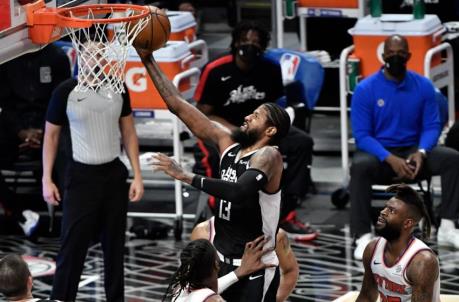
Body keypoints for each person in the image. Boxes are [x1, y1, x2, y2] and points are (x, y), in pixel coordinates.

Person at [137, 44, 291, 301]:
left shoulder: (270, 156)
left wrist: (186, 176)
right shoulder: (227, 142)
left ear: (271, 131)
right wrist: (148, 59)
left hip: (255, 265)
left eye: (256, 115)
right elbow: (177, 104)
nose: (247, 117)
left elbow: (240, 192)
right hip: (219, 262)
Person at [194, 20, 316, 240]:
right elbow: (203, 113)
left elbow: (275, 105)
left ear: (263, 46)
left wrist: (267, 131)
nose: (250, 45)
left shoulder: (270, 68)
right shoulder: (215, 69)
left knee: (302, 142)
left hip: (260, 128)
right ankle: (220, 212)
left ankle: (286, 211)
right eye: (245, 40)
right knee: (217, 156)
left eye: (255, 42)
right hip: (226, 129)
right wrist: (233, 130)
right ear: (235, 42)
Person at [42, 38, 144, 301]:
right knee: (72, 247)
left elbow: (129, 132)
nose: (96, 59)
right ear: (79, 57)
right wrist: (47, 178)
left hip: (113, 174)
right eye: (90, 54)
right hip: (81, 177)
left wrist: (137, 175)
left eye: (101, 55)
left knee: (114, 249)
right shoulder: (65, 91)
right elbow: (51, 137)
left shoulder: (118, 87)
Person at [350, 34, 459, 260]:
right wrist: (389, 158)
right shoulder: (365, 89)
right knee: (359, 167)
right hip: (380, 154)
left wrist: (422, 151)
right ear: (383, 55)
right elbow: (362, 136)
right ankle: (361, 235)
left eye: (401, 53)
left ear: (409, 56)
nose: (396, 57)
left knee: (452, 159)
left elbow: (431, 125)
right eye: (391, 53)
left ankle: (448, 226)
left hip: (412, 152)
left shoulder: (423, 85)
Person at [356, 184, 440, 302]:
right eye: (385, 207)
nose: (382, 212)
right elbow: (367, 297)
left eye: (391, 210)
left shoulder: (422, 261)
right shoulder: (372, 248)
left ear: (407, 223)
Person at [191, 217, 299, 302]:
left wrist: (272, 299)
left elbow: (290, 271)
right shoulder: (203, 232)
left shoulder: (274, 236)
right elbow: (190, 287)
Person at [165, 235, 274, 302]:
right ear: (217, 265)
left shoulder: (180, 288)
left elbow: (208, 290)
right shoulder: (213, 300)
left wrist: (238, 272)